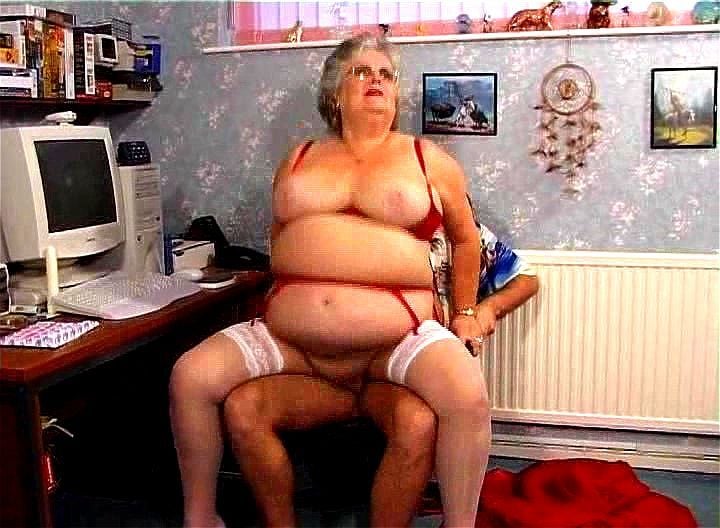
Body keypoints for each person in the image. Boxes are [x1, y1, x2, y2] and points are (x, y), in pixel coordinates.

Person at [170, 32, 488, 528]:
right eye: (361, 71)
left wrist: (465, 313)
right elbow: (282, 238)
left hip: (395, 340)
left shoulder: (429, 159)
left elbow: (466, 241)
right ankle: (201, 518)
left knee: (467, 396)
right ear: (335, 92)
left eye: (385, 74)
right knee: (189, 376)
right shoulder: (298, 158)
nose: (375, 80)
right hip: (292, 342)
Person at [223, 220, 539, 526]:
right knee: (243, 406)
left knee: (416, 421)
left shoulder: (453, 230)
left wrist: (484, 310)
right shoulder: (331, 223)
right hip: (322, 371)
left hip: (396, 377)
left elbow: (524, 277)